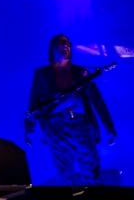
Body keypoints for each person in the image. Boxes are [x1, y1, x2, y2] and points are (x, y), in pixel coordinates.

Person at [24, 33, 117, 186]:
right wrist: (29, 130)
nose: (65, 47)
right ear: (53, 48)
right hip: (56, 127)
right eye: (61, 44)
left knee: (91, 169)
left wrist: (109, 128)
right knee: (65, 173)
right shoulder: (42, 74)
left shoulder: (81, 72)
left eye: (68, 44)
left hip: (81, 124)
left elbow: (97, 101)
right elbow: (33, 103)